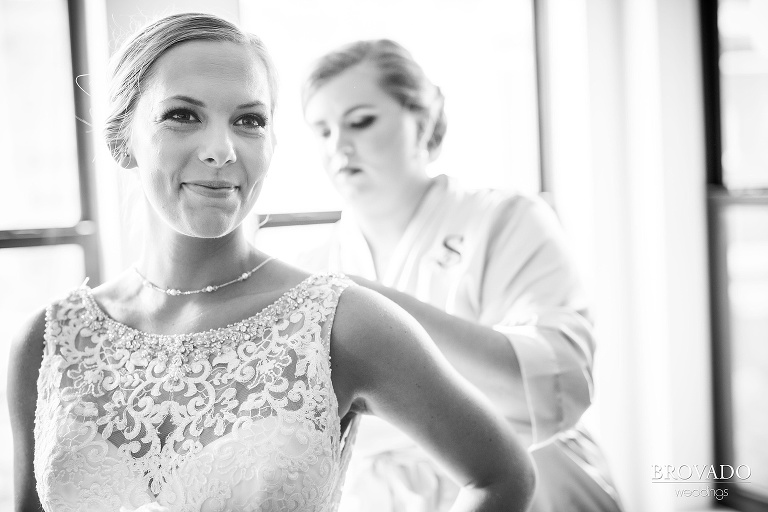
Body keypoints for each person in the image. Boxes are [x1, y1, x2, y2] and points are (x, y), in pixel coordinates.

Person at [6, 15, 536, 512]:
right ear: (123, 140)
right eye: (183, 115)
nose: (221, 149)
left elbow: (504, 475)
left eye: (248, 120)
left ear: (272, 144)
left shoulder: (340, 322)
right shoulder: (49, 339)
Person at [300, 39, 624, 512]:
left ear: (423, 121)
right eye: (322, 131)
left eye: (361, 121)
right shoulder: (315, 264)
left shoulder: (506, 219)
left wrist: (373, 306)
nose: (339, 147)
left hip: (532, 486)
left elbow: (559, 383)